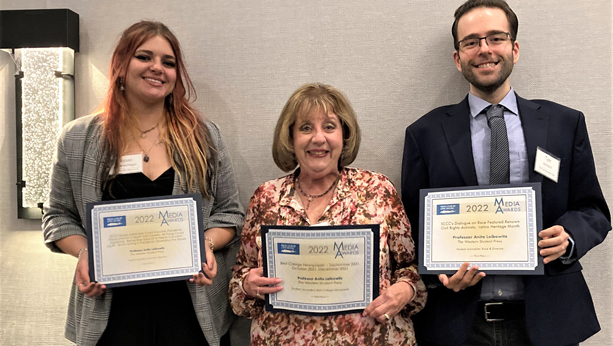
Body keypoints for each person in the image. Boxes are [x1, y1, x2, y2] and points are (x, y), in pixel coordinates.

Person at [401, 1, 611, 346]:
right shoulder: (424, 133)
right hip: (459, 324)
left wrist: (569, 237)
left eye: (495, 38)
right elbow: (413, 229)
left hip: (549, 320)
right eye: (471, 42)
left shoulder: (564, 124)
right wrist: (439, 275)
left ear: (513, 48)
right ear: (458, 58)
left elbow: (594, 211)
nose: (484, 49)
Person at [42, 21, 244, 346]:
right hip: (110, 311)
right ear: (121, 66)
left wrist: (205, 246)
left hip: (191, 310)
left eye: (169, 62)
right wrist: (85, 254)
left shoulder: (204, 136)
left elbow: (230, 213)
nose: (157, 68)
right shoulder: (77, 138)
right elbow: (57, 216)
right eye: (144, 57)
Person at [229, 83, 426, 345]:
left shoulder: (377, 190)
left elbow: (412, 270)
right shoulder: (266, 197)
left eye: (329, 126)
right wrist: (247, 285)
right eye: (306, 127)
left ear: (344, 135)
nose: (318, 138)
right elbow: (238, 290)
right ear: (290, 138)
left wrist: (405, 290)